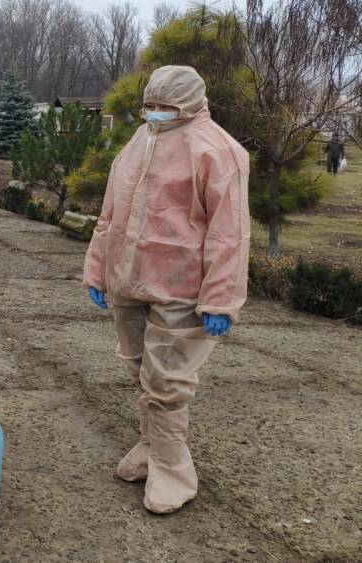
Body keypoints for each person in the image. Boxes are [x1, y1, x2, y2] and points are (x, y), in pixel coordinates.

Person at [83, 65, 250, 514]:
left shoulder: (216, 150)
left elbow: (229, 233)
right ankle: (151, 448)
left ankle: (174, 470)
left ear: (192, 102)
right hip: (128, 277)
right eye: (151, 105)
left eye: (166, 106)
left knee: (168, 380)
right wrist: (98, 269)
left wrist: (221, 298)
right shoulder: (141, 140)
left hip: (182, 287)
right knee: (139, 369)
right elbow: (110, 211)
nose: (156, 113)